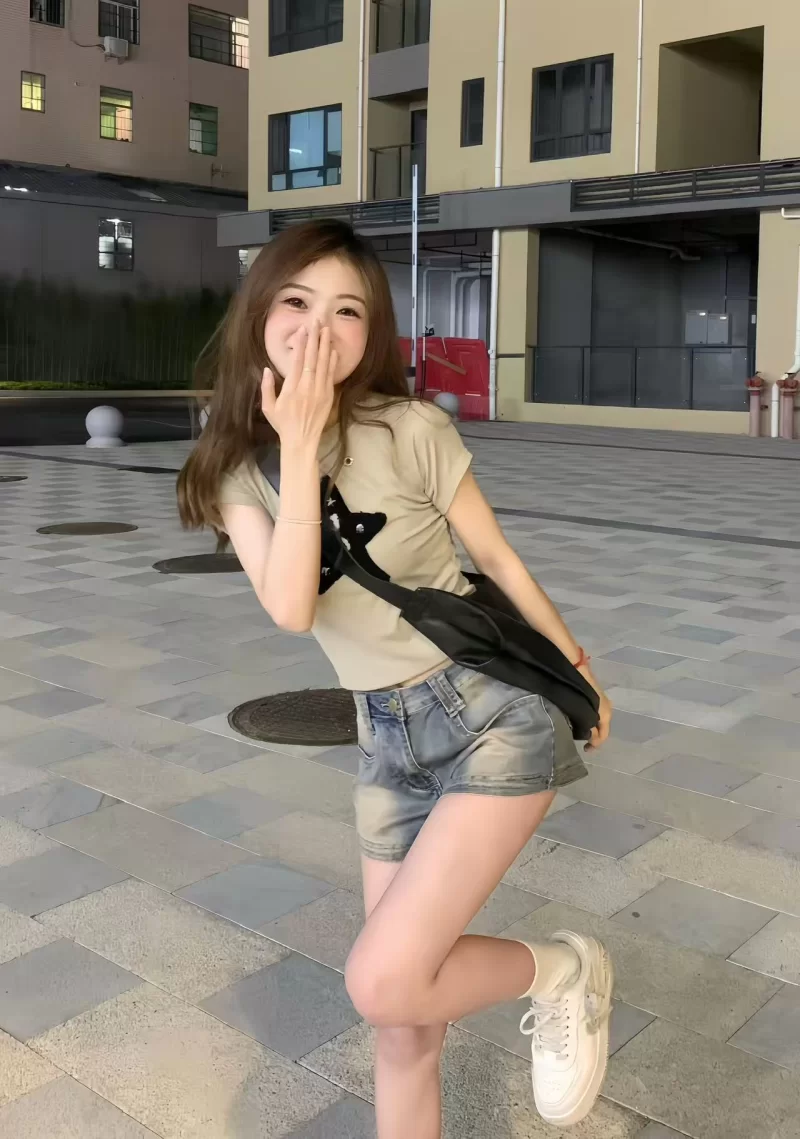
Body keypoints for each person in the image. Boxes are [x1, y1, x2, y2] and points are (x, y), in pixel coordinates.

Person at [177, 219, 614, 1136]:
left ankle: (564, 968)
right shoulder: (237, 470)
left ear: (371, 331)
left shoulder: (411, 428)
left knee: (381, 978)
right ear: (259, 313)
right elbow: (291, 605)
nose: (318, 329)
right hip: (386, 740)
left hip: (491, 712)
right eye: (296, 301)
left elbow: (498, 558)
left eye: (347, 311)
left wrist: (577, 668)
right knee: (403, 1023)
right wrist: (298, 447)